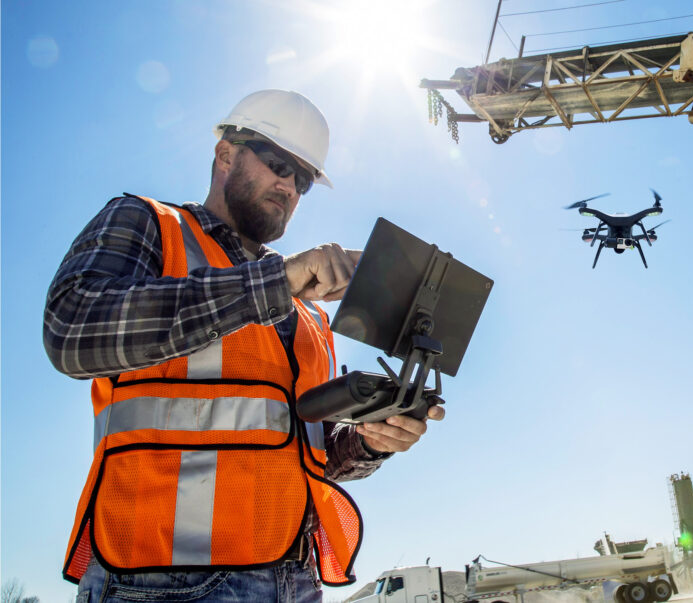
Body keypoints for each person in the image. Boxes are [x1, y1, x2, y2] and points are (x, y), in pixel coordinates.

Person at [43, 89, 444, 602]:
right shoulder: (151, 224)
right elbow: (73, 329)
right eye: (279, 164)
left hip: (291, 580)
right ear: (226, 154)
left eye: (302, 180)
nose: (289, 186)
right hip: (160, 581)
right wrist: (274, 282)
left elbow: (306, 452)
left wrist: (369, 441)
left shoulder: (307, 312)